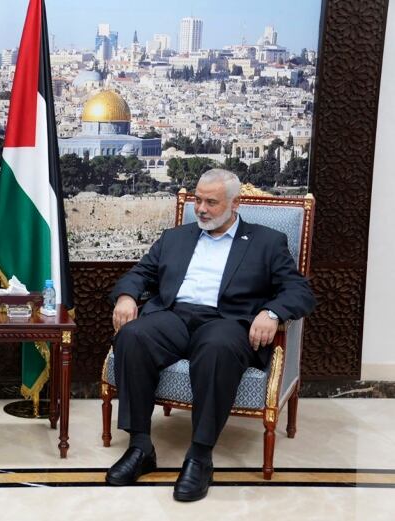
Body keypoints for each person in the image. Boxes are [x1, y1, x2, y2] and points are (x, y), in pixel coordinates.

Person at [106, 169, 316, 501]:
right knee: (133, 336)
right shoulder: (176, 237)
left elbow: (300, 291)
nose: (201, 208)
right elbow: (140, 273)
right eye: (198, 200)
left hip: (227, 321)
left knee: (217, 348)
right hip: (174, 316)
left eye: (211, 202)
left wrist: (272, 312)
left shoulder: (267, 241)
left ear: (235, 203)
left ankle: (200, 457)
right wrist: (127, 296)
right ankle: (140, 447)